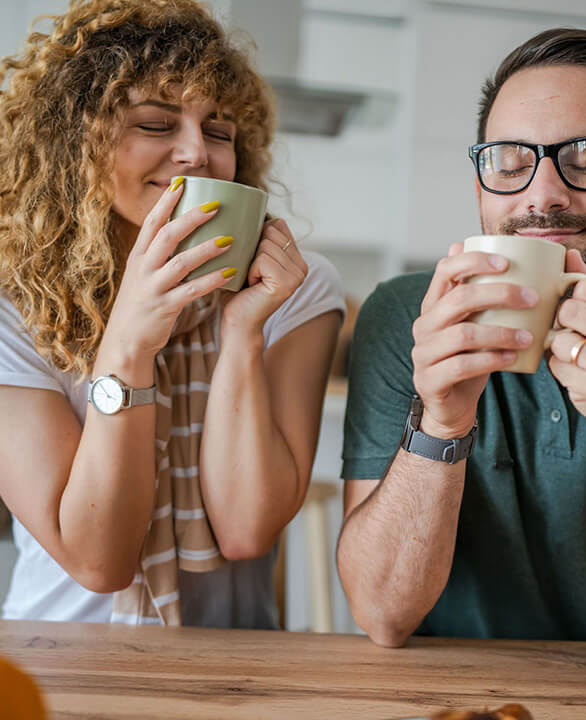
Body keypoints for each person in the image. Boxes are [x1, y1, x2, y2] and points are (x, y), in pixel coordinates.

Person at [337, 28, 586, 687]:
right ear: (482, 189)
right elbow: (383, 615)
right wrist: (441, 421)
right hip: (442, 694)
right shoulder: (406, 318)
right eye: (511, 163)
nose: (542, 195)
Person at [0, 0, 345, 628]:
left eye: (218, 132)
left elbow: (245, 530)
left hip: (232, 672)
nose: (196, 153)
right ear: (75, 141)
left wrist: (241, 329)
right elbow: (98, 563)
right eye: (156, 124)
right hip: (60, 659)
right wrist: (128, 345)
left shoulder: (299, 289)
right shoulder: (11, 306)